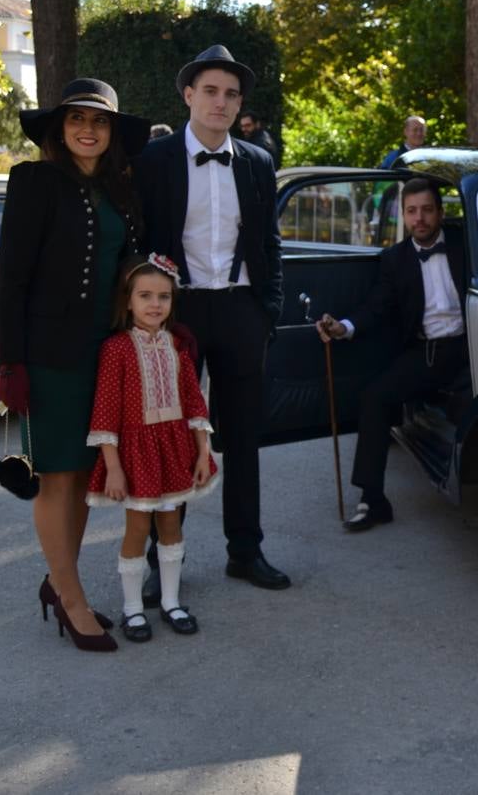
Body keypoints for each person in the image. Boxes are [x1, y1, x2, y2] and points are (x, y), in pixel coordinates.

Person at [0, 77, 150, 652]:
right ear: (61, 128)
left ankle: (60, 581)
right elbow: (10, 277)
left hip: (104, 351)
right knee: (56, 476)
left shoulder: (121, 189)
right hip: (48, 353)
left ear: (111, 133)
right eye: (78, 119)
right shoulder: (33, 180)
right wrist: (11, 360)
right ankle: (71, 598)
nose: (89, 129)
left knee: (86, 475)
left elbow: (128, 263)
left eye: (100, 121)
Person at [135, 44, 289, 593]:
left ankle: (245, 552)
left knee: (243, 439)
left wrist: (267, 310)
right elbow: (140, 241)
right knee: (172, 437)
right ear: (188, 96)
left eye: (230, 94)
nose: (220, 103)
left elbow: (269, 241)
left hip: (242, 310)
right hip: (179, 314)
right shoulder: (154, 160)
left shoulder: (257, 161)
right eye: (210, 91)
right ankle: (161, 562)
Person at [315, 178, 467, 532]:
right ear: (403, 215)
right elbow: (376, 307)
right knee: (375, 398)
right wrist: (345, 327)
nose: (420, 219)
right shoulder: (395, 259)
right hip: (424, 353)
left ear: (440, 212)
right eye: (412, 211)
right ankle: (373, 499)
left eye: (427, 210)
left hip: (467, 352)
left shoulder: (465, 246)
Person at [85, 254, 218, 642]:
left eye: (163, 297)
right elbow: (105, 413)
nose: (155, 304)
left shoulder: (178, 346)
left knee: (171, 524)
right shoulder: (116, 349)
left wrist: (201, 452)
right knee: (138, 527)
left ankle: (172, 601)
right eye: (145, 295)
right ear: (128, 300)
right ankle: (132, 609)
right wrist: (112, 467)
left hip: (174, 449)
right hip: (137, 453)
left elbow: (194, 403)